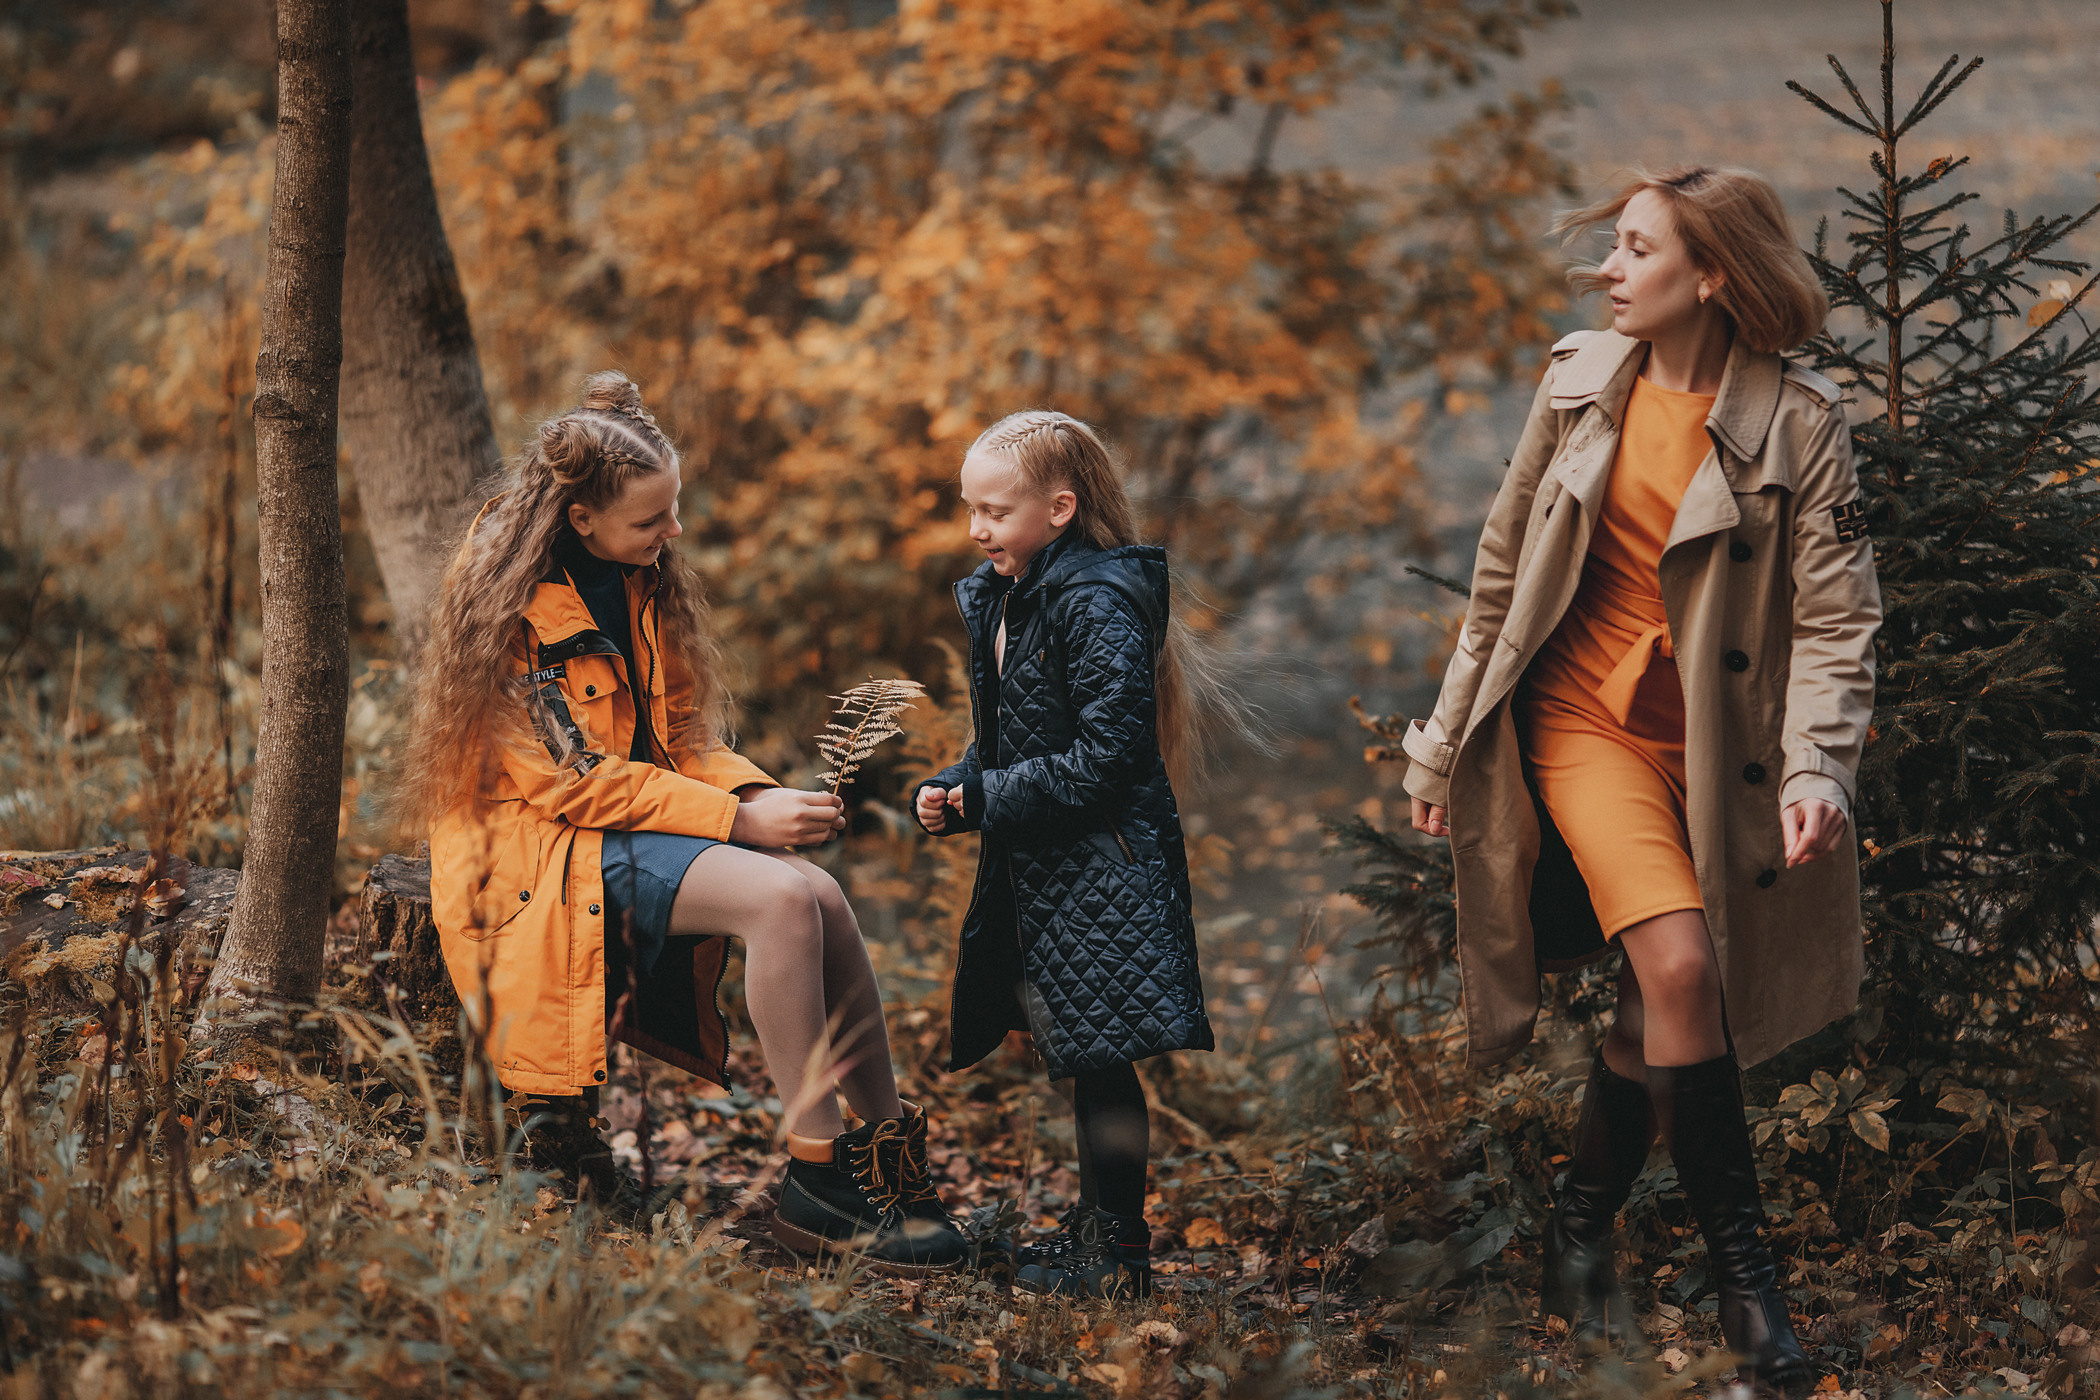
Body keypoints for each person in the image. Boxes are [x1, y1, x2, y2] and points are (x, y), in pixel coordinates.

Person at [1400, 167, 1880, 1397]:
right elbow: (1500, 579)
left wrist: (1820, 765)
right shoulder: (1578, 385)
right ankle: (1751, 1296)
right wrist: (1441, 743)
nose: (1606, 270)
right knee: (1680, 968)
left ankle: (1574, 1236)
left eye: (1635, 249)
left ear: (1711, 275)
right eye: (1612, 246)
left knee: (1650, 1001)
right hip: (1582, 719)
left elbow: (1836, 621)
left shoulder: (1800, 423)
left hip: (1721, 749)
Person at [401, 372, 966, 1275]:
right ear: (582, 518)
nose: (674, 531)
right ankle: (818, 1179)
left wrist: (753, 797)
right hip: (536, 850)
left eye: (674, 508)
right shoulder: (512, 610)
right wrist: (736, 825)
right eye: (651, 518)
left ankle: (891, 1163)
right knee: (781, 902)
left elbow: (679, 742)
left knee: (821, 895)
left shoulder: (643, 581)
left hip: (621, 822)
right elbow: (571, 784)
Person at [914, 410, 1232, 1299]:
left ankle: (1117, 1253)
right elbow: (1013, 735)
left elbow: (1107, 759)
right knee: (1086, 1048)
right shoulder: (1016, 593)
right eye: (970, 508)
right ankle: (1098, 1231)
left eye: (995, 512)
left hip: (1105, 865)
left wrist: (986, 798)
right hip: (1051, 865)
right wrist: (954, 783)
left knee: (1102, 1053)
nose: (976, 529)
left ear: (1058, 509)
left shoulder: (1095, 602)